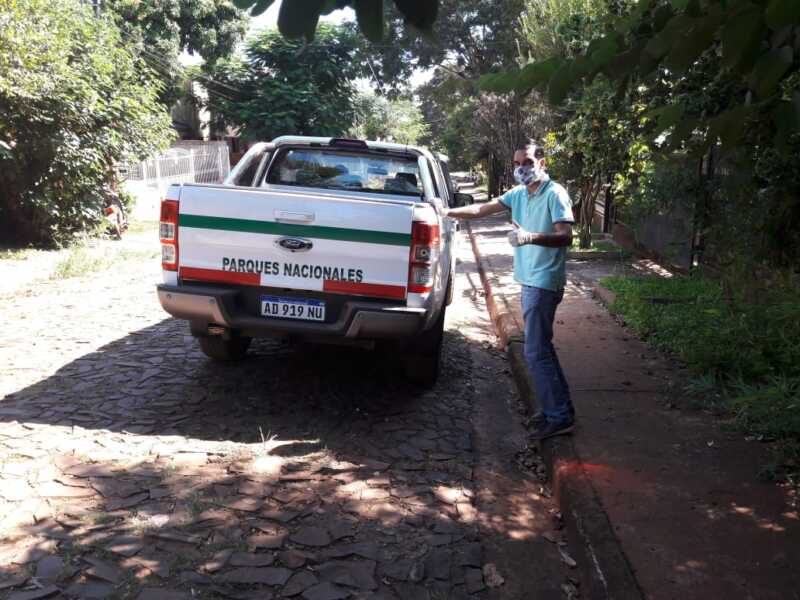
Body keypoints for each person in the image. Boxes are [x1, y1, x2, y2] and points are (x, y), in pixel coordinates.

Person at [445, 142, 576, 439]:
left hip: (544, 282)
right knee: (542, 349)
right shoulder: (518, 194)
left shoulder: (555, 194)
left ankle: (559, 416)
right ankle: (559, 410)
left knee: (535, 351)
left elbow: (565, 236)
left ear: (542, 163)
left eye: (528, 161)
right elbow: (481, 208)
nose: (522, 168)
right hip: (529, 280)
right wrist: (447, 211)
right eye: (518, 162)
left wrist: (530, 237)